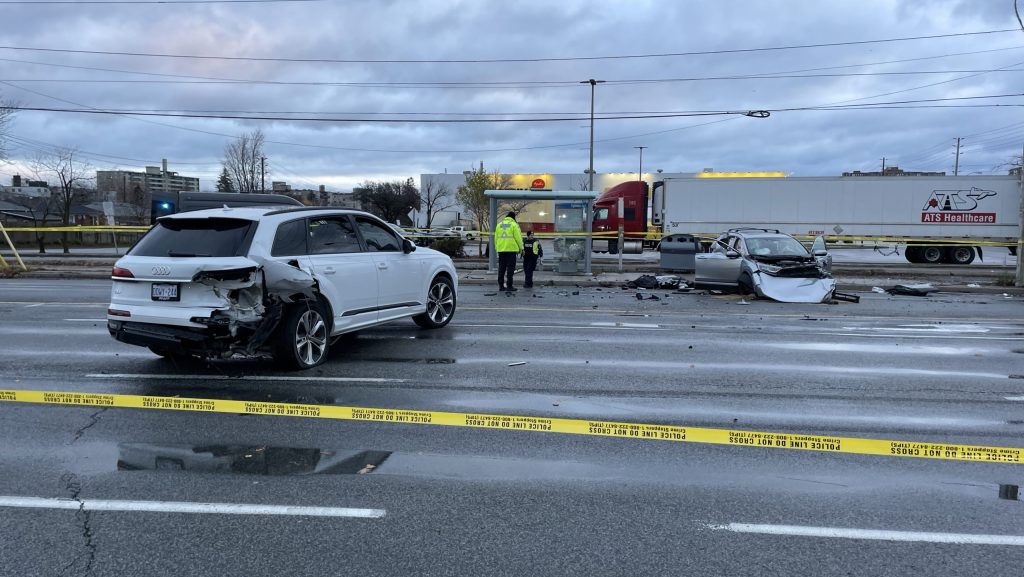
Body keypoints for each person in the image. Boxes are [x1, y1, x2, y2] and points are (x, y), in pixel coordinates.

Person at [494, 211, 523, 291]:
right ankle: (509, 286)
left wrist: (497, 248)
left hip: (501, 250)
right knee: (510, 269)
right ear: (513, 217)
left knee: (501, 268)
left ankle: (501, 286)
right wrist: (521, 249)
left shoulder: (499, 225)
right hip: (511, 250)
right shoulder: (514, 225)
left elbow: (496, 238)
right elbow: (518, 238)